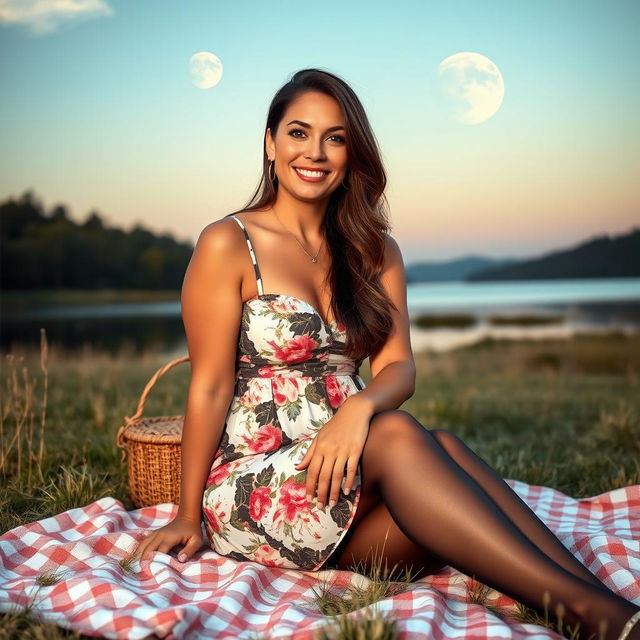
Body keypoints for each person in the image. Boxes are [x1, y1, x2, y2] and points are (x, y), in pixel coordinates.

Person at [133, 68, 640, 640]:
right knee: (402, 436)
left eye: (336, 137)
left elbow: (400, 366)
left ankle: (607, 610)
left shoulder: (376, 251)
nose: (315, 152)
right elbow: (209, 386)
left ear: (353, 153)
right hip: (259, 487)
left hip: (352, 474)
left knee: (440, 447)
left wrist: (358, 410)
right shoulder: (228, 242)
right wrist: (185, 514)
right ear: (271, 144)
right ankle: (591, 615)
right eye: (298, 133)